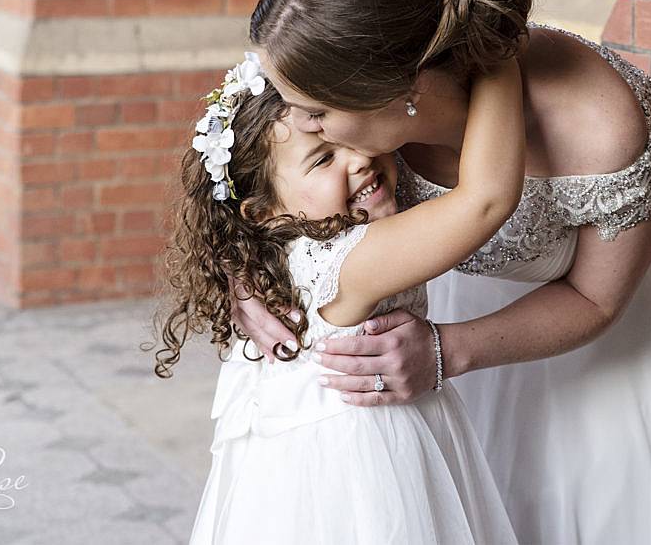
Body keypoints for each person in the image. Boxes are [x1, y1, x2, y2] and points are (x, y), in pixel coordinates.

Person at [234, 0, 651, 544]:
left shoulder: (598, 122)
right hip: (449, 287)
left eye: (317, 114)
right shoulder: (339, 88)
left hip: (610, 316)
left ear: (398, 89)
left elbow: (595, 298)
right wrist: (250, 267)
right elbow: (247, 163)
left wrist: (446, 352)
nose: (303, 126)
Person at [150, 50, 525, 543]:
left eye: (347, 134)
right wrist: (498, 53)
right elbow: (485, 201)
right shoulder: (346, 260)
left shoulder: (275, 253)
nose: (358, 156)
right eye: (323, 158)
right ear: (262, 213)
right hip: (365, 465)